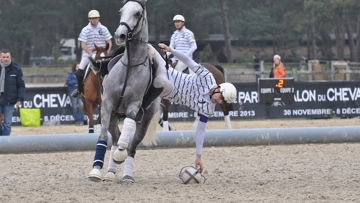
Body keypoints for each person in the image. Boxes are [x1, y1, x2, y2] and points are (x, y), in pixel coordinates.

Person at [114, 43, 237, 175]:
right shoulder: (207, 77)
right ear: (219, 88)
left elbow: (201, 131)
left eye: (221, 102)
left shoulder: (208, 109)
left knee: (162, 83)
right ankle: (108, 65)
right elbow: (188, 61)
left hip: (169, 90)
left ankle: (139, 109)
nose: (218, 102)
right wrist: (170, 49)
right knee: (148, 47)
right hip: (169, 72)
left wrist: (198, 156)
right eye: (220, 98)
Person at [71, 9, 112, 98]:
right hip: (88, 54)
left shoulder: (104, 29)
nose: (94, 20)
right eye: (92, 18)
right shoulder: (85, 30)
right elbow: (83, 44)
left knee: (113, 70)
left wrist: (106, 53)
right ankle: (79, 90)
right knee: (79, 72)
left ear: (98, 19)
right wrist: (90, 53)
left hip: (102, 55)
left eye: (96, 18)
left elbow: (109, 42)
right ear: (89, 19)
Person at [0, 49, 25, 136]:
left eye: (7, 57)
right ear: (0, 57)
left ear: (10, 57)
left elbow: (21, 86)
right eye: (4, 57)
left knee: (7, 123)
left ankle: (6, 143)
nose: (5, 59)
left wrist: (20, 98)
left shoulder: (16, 69)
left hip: (9, 101)